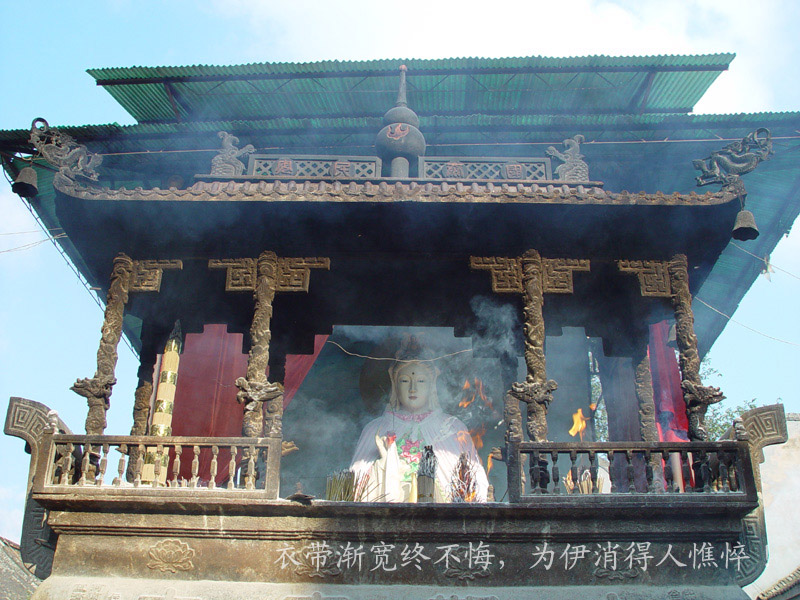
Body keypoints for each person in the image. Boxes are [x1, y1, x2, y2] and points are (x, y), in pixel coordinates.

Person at [350, 353, 489, 502]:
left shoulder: (452, 427)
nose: (413, 388)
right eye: (404, 381)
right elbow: (357, 480)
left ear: (431, 386)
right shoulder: (376, 428)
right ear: (395, 385)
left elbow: (474, 479)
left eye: (421, 381)